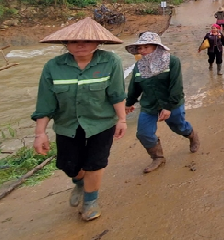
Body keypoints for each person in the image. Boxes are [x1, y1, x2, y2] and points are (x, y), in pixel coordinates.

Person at [32, 17, 127, 222]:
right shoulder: (53, 67)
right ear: (66, 44)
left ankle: (91, 201)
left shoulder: (111, 62)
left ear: (98, 43)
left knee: (95, 163)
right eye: (74, 41)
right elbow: (45, 103)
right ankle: (79, 183)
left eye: (87, 41)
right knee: (70, 166)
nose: (81, 45)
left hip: (101, 123)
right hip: (67, 125)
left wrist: (122, 120)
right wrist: (40, 134)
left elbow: (117, 94)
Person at [124, 32, 200, 174]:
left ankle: (192, 135)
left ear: (157, 47)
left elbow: (176, 87)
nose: (142, 51)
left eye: (146, 47)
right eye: (140, 48)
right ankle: (158, 157)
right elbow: (134, 87)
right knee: (143, 133)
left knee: (179, 127)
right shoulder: (139, 66)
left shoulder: (172, 62)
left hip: (172, 103)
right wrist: (129, 103)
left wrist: (167, 107)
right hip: (149, 105)